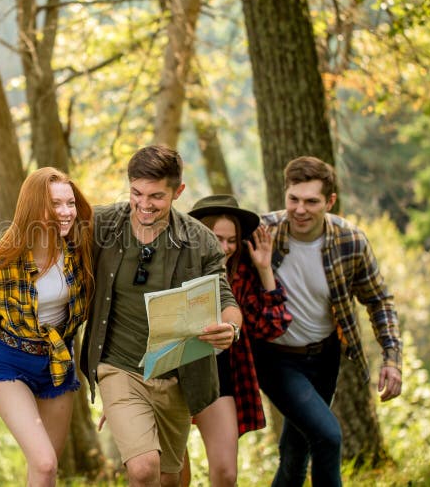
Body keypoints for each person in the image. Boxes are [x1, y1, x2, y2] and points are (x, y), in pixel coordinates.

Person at [80, 145, 241, 487]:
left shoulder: (200, 241)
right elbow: (55, 235)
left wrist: (230, 328)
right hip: (118, 367)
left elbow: (224, 296)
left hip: (177, 375)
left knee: (170, 479)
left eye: (156, 196)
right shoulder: (104, 224)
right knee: (142, 470)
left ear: (178, 191)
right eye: (136, 193)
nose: (144, 204)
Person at [253, 156, 402, 486]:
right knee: (328, 437)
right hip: (275, 358)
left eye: (311, 201)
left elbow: (378, 300)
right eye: (293, 199)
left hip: (324, 358)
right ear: (285, 195)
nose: (300, 209)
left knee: (296, 451)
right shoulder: (263, 234)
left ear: (330, 201)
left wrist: (392, 359)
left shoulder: (350, 241)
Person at [0, 167, 93, 486]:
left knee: (45, 470)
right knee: (43, 463)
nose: (66, 212)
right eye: (55, 204)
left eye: (70, 203)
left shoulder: (79, 252)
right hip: (10, 363)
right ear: (34, 206)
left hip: (58, 364)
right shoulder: (6, 261)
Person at [181, 195, 293, 486]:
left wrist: (265, 269)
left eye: (231, 240)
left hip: (219, 376)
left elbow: (272, 327)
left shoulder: (241, 273)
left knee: (226, 473)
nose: (225, 247)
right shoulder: (175, 266)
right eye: (217, 238)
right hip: (174, 372)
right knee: (173, 476)